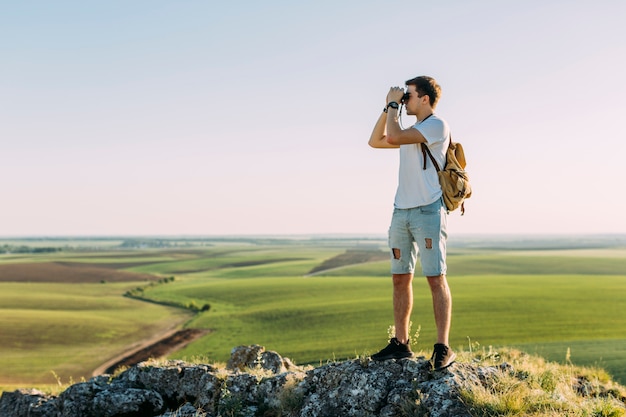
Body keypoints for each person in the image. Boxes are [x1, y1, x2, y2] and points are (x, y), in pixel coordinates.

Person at [368, 75, 456, 371]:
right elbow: (375, 141)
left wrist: (393, 104)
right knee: (399, 277)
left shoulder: (435, 125)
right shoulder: (409, 129)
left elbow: (393, 136)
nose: (406, 100)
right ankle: (401, 343)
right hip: (401, 211)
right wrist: (387, 108)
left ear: (425, 99)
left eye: (410, 95)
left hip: (428, 211)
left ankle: (443, 347)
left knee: (435, 278)